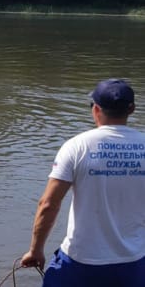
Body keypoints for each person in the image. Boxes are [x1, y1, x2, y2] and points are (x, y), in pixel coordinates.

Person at [21, 78, 145, 287]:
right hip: (134, 262)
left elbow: (48, 204)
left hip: (81, 263)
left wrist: (36, 250)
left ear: (95, 109)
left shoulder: (77, 146)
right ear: (131, 109)